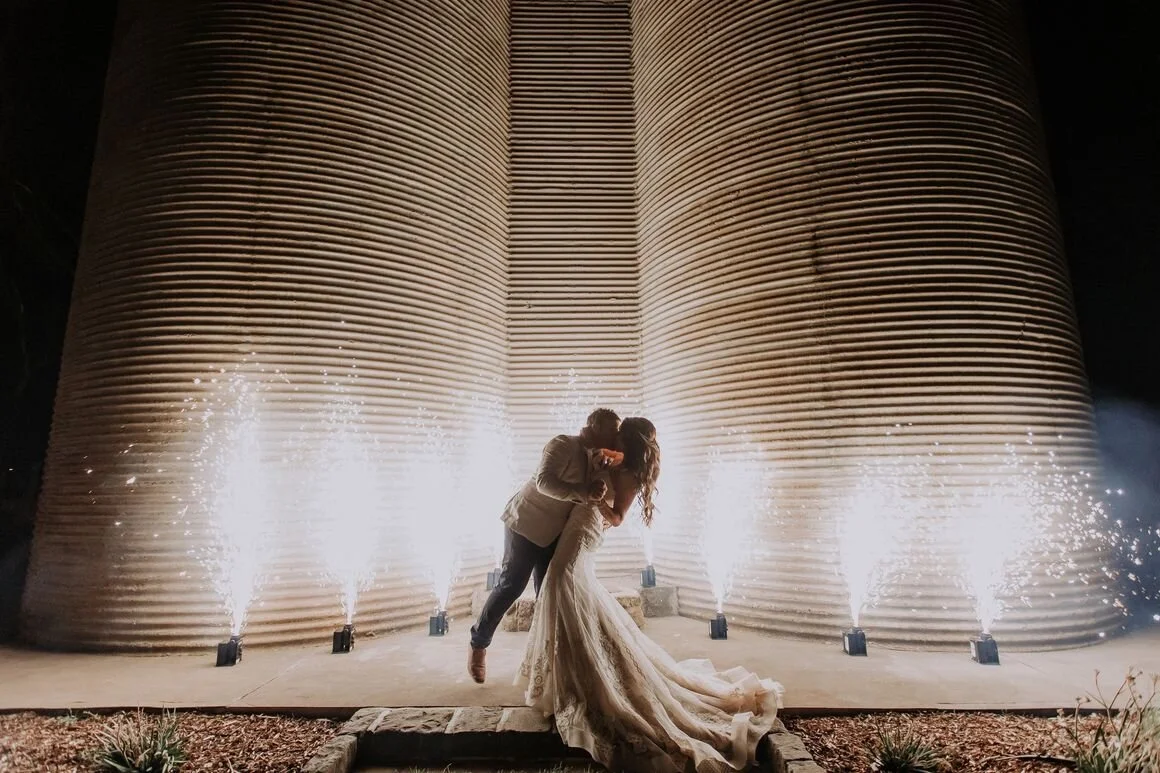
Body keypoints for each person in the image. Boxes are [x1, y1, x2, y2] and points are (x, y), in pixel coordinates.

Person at [518, 417, 783, 772]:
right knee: (565, 589)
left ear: (629, 440)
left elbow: (617, 517)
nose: (614, 440)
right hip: (575, 524)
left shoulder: (632, 475)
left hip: (586, 530)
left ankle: (584, 684)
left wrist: (595, 497)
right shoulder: (616, 461)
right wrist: (592, 476)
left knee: (559, 583)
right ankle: (570, 677)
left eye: (619, 435)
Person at [468, 408, 621, 683]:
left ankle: (545, 665)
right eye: (612, 432)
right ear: (595, 427)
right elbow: (544, 482)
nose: (615, 439)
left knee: (548, 596)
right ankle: (478, 644)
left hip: (555, 534)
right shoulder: (562, 443)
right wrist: (585, 493)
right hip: (525, 523)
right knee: (511, 585)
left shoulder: (597, 457)